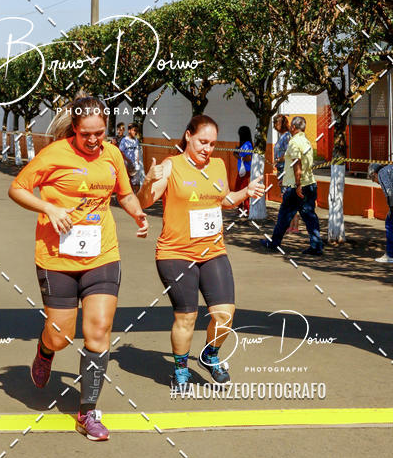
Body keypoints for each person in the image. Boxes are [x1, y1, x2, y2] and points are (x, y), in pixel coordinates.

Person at [8, 95, 148, 441]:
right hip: (57, 258)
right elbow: (17, 188)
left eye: (99, 133)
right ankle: (45, 351)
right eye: (87, 134)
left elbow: (125, 193)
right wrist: (49, 208)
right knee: (61, 334)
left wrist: (136, 211)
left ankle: (88, 412)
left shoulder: (112, 154)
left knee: (98, 330)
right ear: (74, 128)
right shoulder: (54, 155)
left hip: (102, 255)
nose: (94, 140)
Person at [138, 114, 268, 388]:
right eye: (202, 141)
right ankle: (181, 369)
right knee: (187, 316)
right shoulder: (171, 166)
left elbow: (225, 200)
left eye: (212, 143)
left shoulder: (218, 165)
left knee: (225, 315)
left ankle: (210, 355)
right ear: (188, 136)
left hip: (212, 251)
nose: (207, 148)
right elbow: (145, 201)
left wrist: (246, 193)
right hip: (176, 253)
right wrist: (148, 181)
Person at [260, 116, 323, 255]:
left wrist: (297, 184)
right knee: (310, 216)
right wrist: (287, 179)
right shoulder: (306, 141)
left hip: (297, 187)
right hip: (309, 184)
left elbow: (296, 165)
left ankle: (274, 243)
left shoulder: (294, 142)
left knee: (284, 215)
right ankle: (316, 245)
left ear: (293, 127)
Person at [273, 114, 297, 233]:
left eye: (276, 123)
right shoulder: (282, 136)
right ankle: (290, 224)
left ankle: (294, 225)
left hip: (285, 170)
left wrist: (279, 159)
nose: (274, 125)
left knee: (288, 197)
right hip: (281, 170)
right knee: (286, 197)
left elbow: (289, 153)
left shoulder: (287, 137)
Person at [367, 162, 393, 263]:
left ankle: (390, 255)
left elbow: (389, 192)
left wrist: (391, 209)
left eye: (373, 178)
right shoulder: (389, 169)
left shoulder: (382, 173)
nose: (375, 182)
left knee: (390, 224)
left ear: (374, 173)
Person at [233, 126, 253, 213]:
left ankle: (246, 209)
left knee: (243, 190)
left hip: (246, 171)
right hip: (242, 170)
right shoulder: (244, 144)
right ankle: (240, 208)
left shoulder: (248, 145)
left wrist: (238, 156)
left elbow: (248, 158)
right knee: (238, 189)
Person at [119, 123, 144, 191]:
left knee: (136, 184)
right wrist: (128, 161)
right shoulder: (124, 140)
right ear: (129, 130)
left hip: (135, 165)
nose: (135, 132)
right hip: (126, 165)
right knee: (127, 183)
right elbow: (120, 152)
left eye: (136, 131)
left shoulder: (136, 140)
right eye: (134, 130)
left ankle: (137, 197)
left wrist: (137, 162)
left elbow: (137, 151)